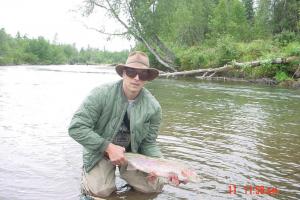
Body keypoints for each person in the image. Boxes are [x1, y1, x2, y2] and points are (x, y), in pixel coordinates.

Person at [68, 51, 178, 198]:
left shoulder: (154, 107)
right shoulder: (100, 94)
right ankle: (90, 174)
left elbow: (148, 143)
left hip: (132, 156)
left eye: (143, 74)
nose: (137, 78)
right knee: (101, 192)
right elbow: (76, 127)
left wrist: (162, 166)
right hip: (99, 152)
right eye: (132, 72)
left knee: (154, 187)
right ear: (124, 73)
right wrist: (108, 147)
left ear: (147, 79)